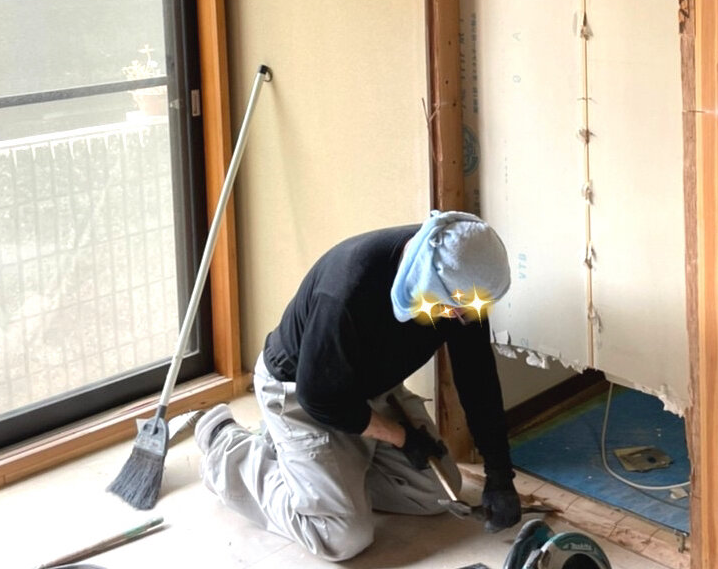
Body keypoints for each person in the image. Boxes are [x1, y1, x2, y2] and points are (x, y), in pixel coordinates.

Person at [193, 211, 522, 561]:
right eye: (453, 306)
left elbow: (477, 379)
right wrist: (402, 437)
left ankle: (314, 470)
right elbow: (319, 398)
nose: (460, 316)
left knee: (434, 493)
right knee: (341, 535)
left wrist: (500, 474)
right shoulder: (348, 290)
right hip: (301, 396)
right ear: (429, 277)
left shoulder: (464, 284)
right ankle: (228, 447)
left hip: (371, 390)